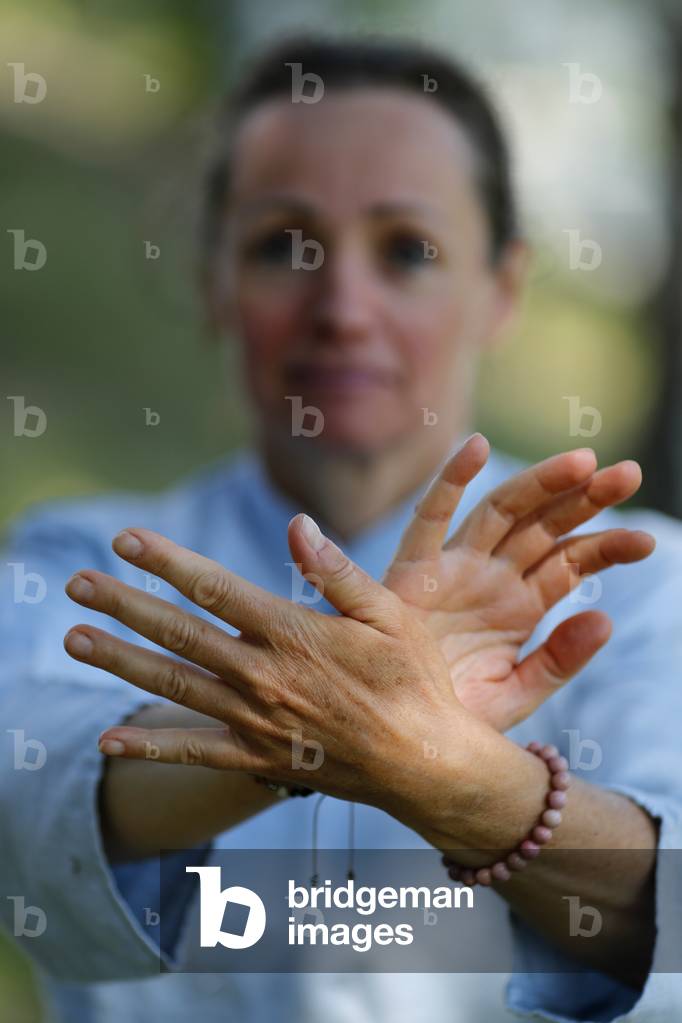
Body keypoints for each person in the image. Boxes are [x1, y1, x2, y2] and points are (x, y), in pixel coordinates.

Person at [1, 34, 681, 1023]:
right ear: (211, 282)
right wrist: (353, 704)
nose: (342, 307)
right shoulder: (74, 563)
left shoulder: (645, 586)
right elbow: (23, 826)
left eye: (407, 250)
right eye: (282, 245)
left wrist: (456, 780)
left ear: (502, 287)